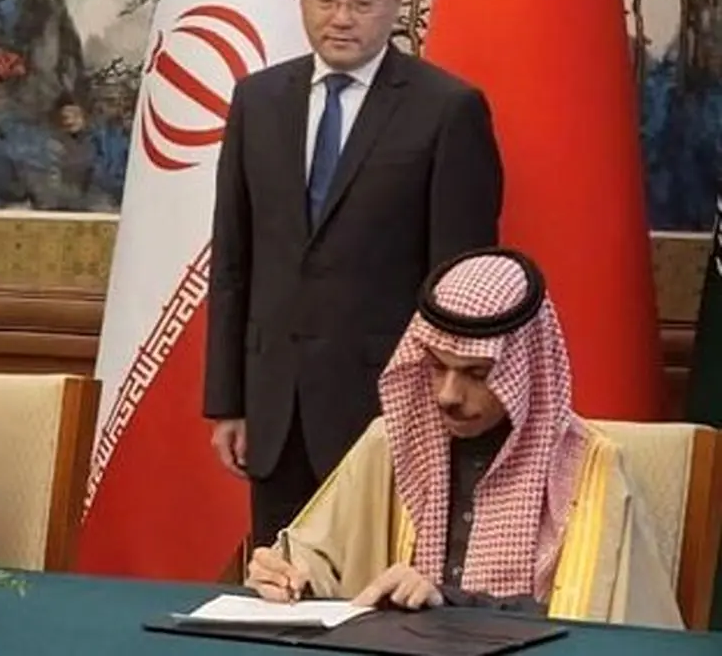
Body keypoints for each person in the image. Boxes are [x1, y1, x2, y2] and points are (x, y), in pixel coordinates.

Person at [205, 0, 504, 546]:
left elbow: (461, 289)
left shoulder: (447, 109)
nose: (341, 17)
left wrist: (443, 405)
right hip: (274, 411)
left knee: (377, 591)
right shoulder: (257, 101)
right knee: (278, 586)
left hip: (390, 411)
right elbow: (233, 262)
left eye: (363, 1)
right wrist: (229, 401)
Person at [245, 249, 684, 629]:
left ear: (524, 371)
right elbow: (321, 557)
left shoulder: (591, 472)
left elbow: (608, 627)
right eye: (437, 366)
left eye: (476, 374)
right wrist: (288, 573)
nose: (447, 396)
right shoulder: (391, 443)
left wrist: (452, 602)